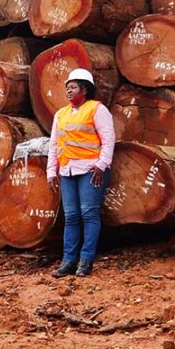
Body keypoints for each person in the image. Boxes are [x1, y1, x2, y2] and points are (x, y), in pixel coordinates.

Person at [47, 68, 115, 277]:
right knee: (72, 216)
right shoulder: (61, 114)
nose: (68, 91)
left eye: (73, 87)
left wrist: (102, 164)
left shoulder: (97, 110)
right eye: (67, 87)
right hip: (67, 170)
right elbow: (54, 144)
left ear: (84, 89)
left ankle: (86, 261)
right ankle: (68, 260)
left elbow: (108, 138)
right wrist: (51, 171)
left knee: (88, 213)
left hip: (90, 170)